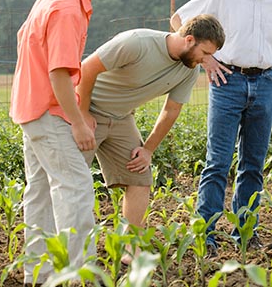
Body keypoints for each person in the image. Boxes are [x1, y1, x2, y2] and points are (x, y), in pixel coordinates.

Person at [170, 0, 272, 256]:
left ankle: (245, 232)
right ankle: (206, 237)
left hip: (265, 83)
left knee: (253, 165)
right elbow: (179, 20)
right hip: (226, 79)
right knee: (218, 162)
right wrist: (206, 59)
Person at [9, 0, 127, 286]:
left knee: (40, 193)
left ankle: (41, 275)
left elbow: (23, 37)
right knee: (75, 188)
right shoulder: (68, 9)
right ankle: (76, 277)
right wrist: (78, 121)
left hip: (30, 106)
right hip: (48, 109)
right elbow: (59, 71)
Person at [76, 14, 225, 264]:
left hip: (121, 118)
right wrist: (81, 116)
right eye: (206, 52)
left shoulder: (189, 70)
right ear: (189, 39)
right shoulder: (137, 43)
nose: (207, 60)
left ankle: (129, 247)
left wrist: (148, 149)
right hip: (87, 111)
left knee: (140, 177)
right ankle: (69, 248)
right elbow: (86, 68)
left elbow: (171, 110)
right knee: (72, 180)